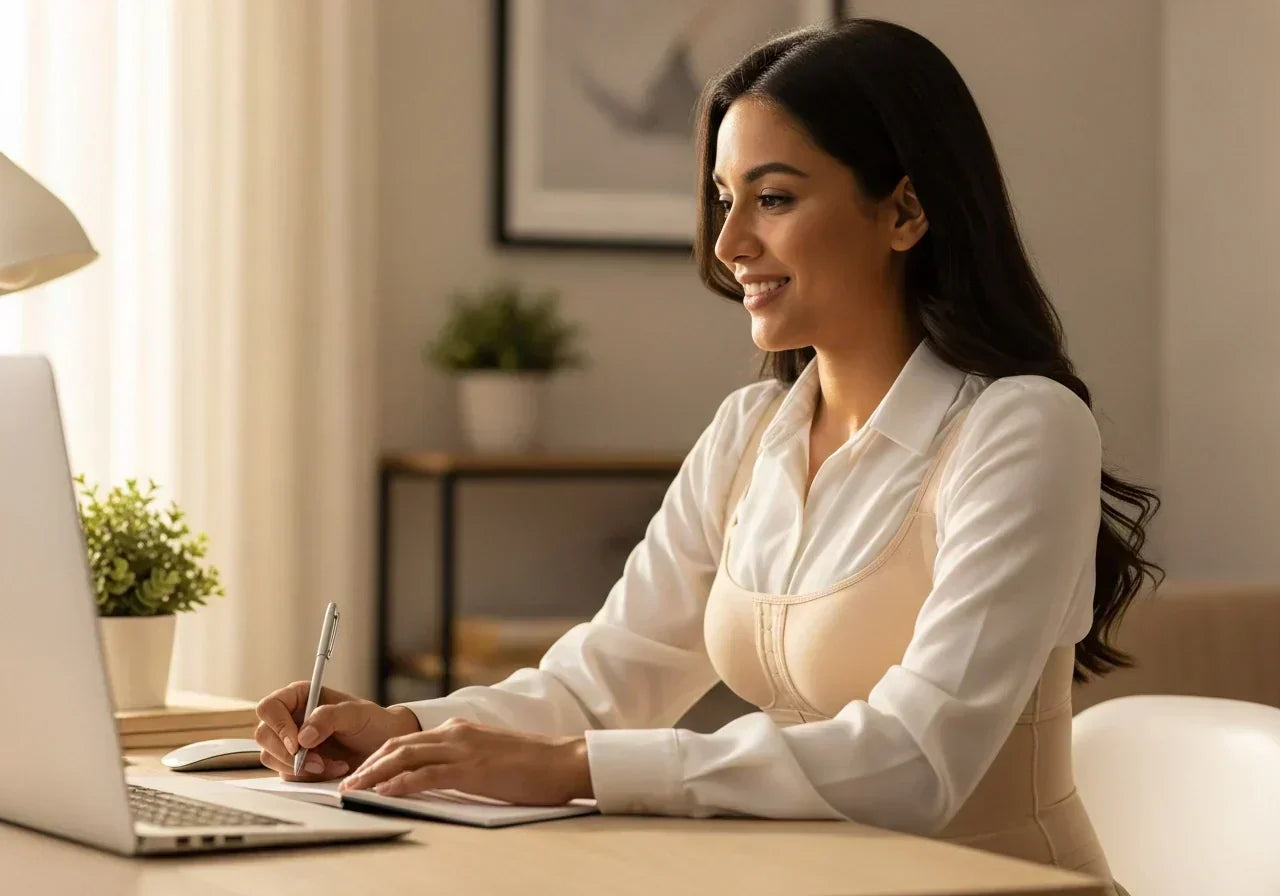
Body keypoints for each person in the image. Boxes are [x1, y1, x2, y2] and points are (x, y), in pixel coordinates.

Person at [256, 18, 1158, 895]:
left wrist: (575, 767)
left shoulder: (1022, 430)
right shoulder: (749, 432)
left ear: (905, 210)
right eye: (725, 200)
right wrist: (403, 728)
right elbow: (607, 676)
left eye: (774, 198)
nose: (729, 246)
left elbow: (918, 760)